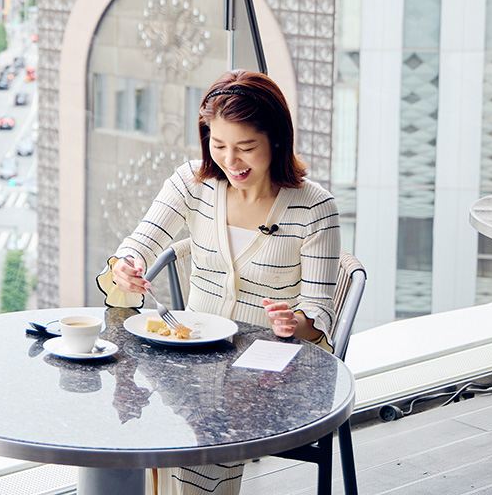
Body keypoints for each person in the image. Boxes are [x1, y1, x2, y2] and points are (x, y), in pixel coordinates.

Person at [97, 70, 341, 495]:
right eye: (219, 145)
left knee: (209, 436)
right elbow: (140, 243)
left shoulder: (314, 208)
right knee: (130, 426)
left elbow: (318, 312)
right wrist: (126, 265)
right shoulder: (193, 183)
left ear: (277, 140)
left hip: (268, 367)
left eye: (246, 147)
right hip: (192, 355)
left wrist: (293, 323)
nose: (231, 161)